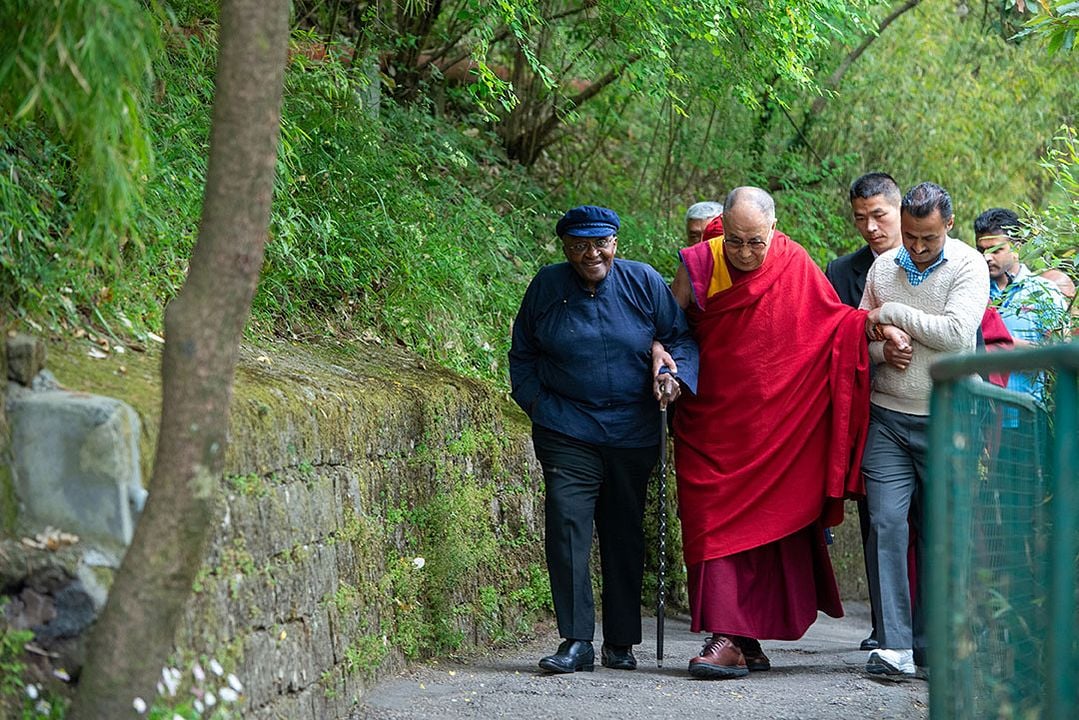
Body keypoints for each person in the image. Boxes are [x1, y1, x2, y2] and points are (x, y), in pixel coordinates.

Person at [666, 186, 899, 679]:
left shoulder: (793, 262)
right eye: (736, 241)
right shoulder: (698, 264)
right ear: (721, 229)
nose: (747, 253)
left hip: (773, 424)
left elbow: (832, 324)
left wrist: (873, 324)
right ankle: (733, 636)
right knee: (709, 524)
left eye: (756, 242)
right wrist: (658, 357)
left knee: (763, 530)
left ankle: (734, 639)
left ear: (774, 230)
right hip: (711, 422)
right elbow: (666, 325)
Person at [509, 205, 699, 674]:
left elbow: (681, 339)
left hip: (632, 433)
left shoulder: (643, 282)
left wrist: (674, 377)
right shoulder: (547, 287)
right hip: (566, 429)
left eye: (600, 243)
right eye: (578, 245)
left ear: (615, 243)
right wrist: (537, 405)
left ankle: (620, 641)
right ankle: (576, 640)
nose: (590, 253)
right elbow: (523, 354)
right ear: (565, 248)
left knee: (623, 531)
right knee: (567, 527)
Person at [860, 182, 989, 676]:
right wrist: (882, 347)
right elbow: (860, 330)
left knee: (940, 534)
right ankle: (894, 648)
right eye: (910, 236)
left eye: (927, 238)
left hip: (949, 419)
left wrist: (890, 315)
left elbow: (957, 335)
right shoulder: (882, 267)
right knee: (886, 524)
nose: (915, 247)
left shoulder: (968, 266)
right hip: (888, 417)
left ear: (948, 227)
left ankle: (932, 646)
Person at [825, 171, 904, 653]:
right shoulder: (841, 271)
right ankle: (883, 624)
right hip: (868, 410)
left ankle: (928, 627)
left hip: (927, 407)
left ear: (899, 210)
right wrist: (875, 339)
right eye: (861, 218)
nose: (871, 227)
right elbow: (833, 336)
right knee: (879, 519)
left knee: (924, 522)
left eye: (879, 215)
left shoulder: (946, 263)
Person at [974, 208, 1069, 398]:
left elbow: (1061, 355)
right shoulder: (973, 290)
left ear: (1018, 247)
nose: (987, 257)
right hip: (980, 415)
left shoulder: (1044, 293)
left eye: (996, 250)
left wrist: (1005, 345)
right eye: (981, 250)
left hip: (1029, 416)